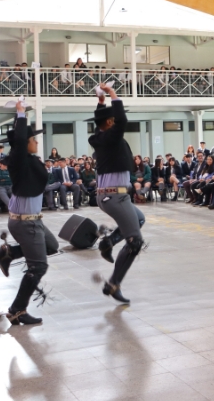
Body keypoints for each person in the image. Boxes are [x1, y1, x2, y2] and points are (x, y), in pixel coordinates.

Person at [0, 100, 57, 325]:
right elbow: (19, 141)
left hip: (33, 220)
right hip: (25, 222)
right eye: (33, 139)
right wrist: (20, 113)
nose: (36, 142)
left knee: (52, 246)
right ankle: (17, 310)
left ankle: (8, 253)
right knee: (38, 266)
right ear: (25, 143)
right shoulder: (19, 160)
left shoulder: (28, 160)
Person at [92, 83, 145, 304]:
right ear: (111, 122)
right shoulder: (110, 138)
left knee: (140, 218)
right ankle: (113, 284)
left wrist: (102, 101)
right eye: (113, 119)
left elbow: (101, 121)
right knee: (135, 242)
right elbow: (121, 121)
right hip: (115, 196)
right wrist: (113, 95)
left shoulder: (102, 137)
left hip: (111, 196)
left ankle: (108, 243)